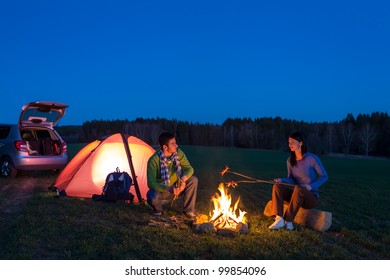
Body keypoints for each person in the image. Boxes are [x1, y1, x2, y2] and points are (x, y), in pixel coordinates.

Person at [268, 131, 328, 230]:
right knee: (277, 186)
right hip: (296, 195)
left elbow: (324, 176)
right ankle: (279, 219)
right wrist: (281, 180)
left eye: (292, 142)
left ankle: (289, 221)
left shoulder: (312, 158)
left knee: (299, 188)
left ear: (300, 143)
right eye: (289, 142)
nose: (290, 145)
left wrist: (311, 186)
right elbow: (291, 179)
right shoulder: (290, 160)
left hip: (310, 197)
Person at [146, 132, 198, 219]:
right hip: (163, 190)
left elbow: (190, 169)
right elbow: (151, 183)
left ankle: (189, 211)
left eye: (175, 142)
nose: (176, 145)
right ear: (165, 147)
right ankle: (158, 211)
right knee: (152, 195)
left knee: (193, 180)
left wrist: (183, 180)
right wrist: (167, 188)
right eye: (173, 144)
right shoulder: (153, 160)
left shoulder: (178, 153)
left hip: (177, 186)